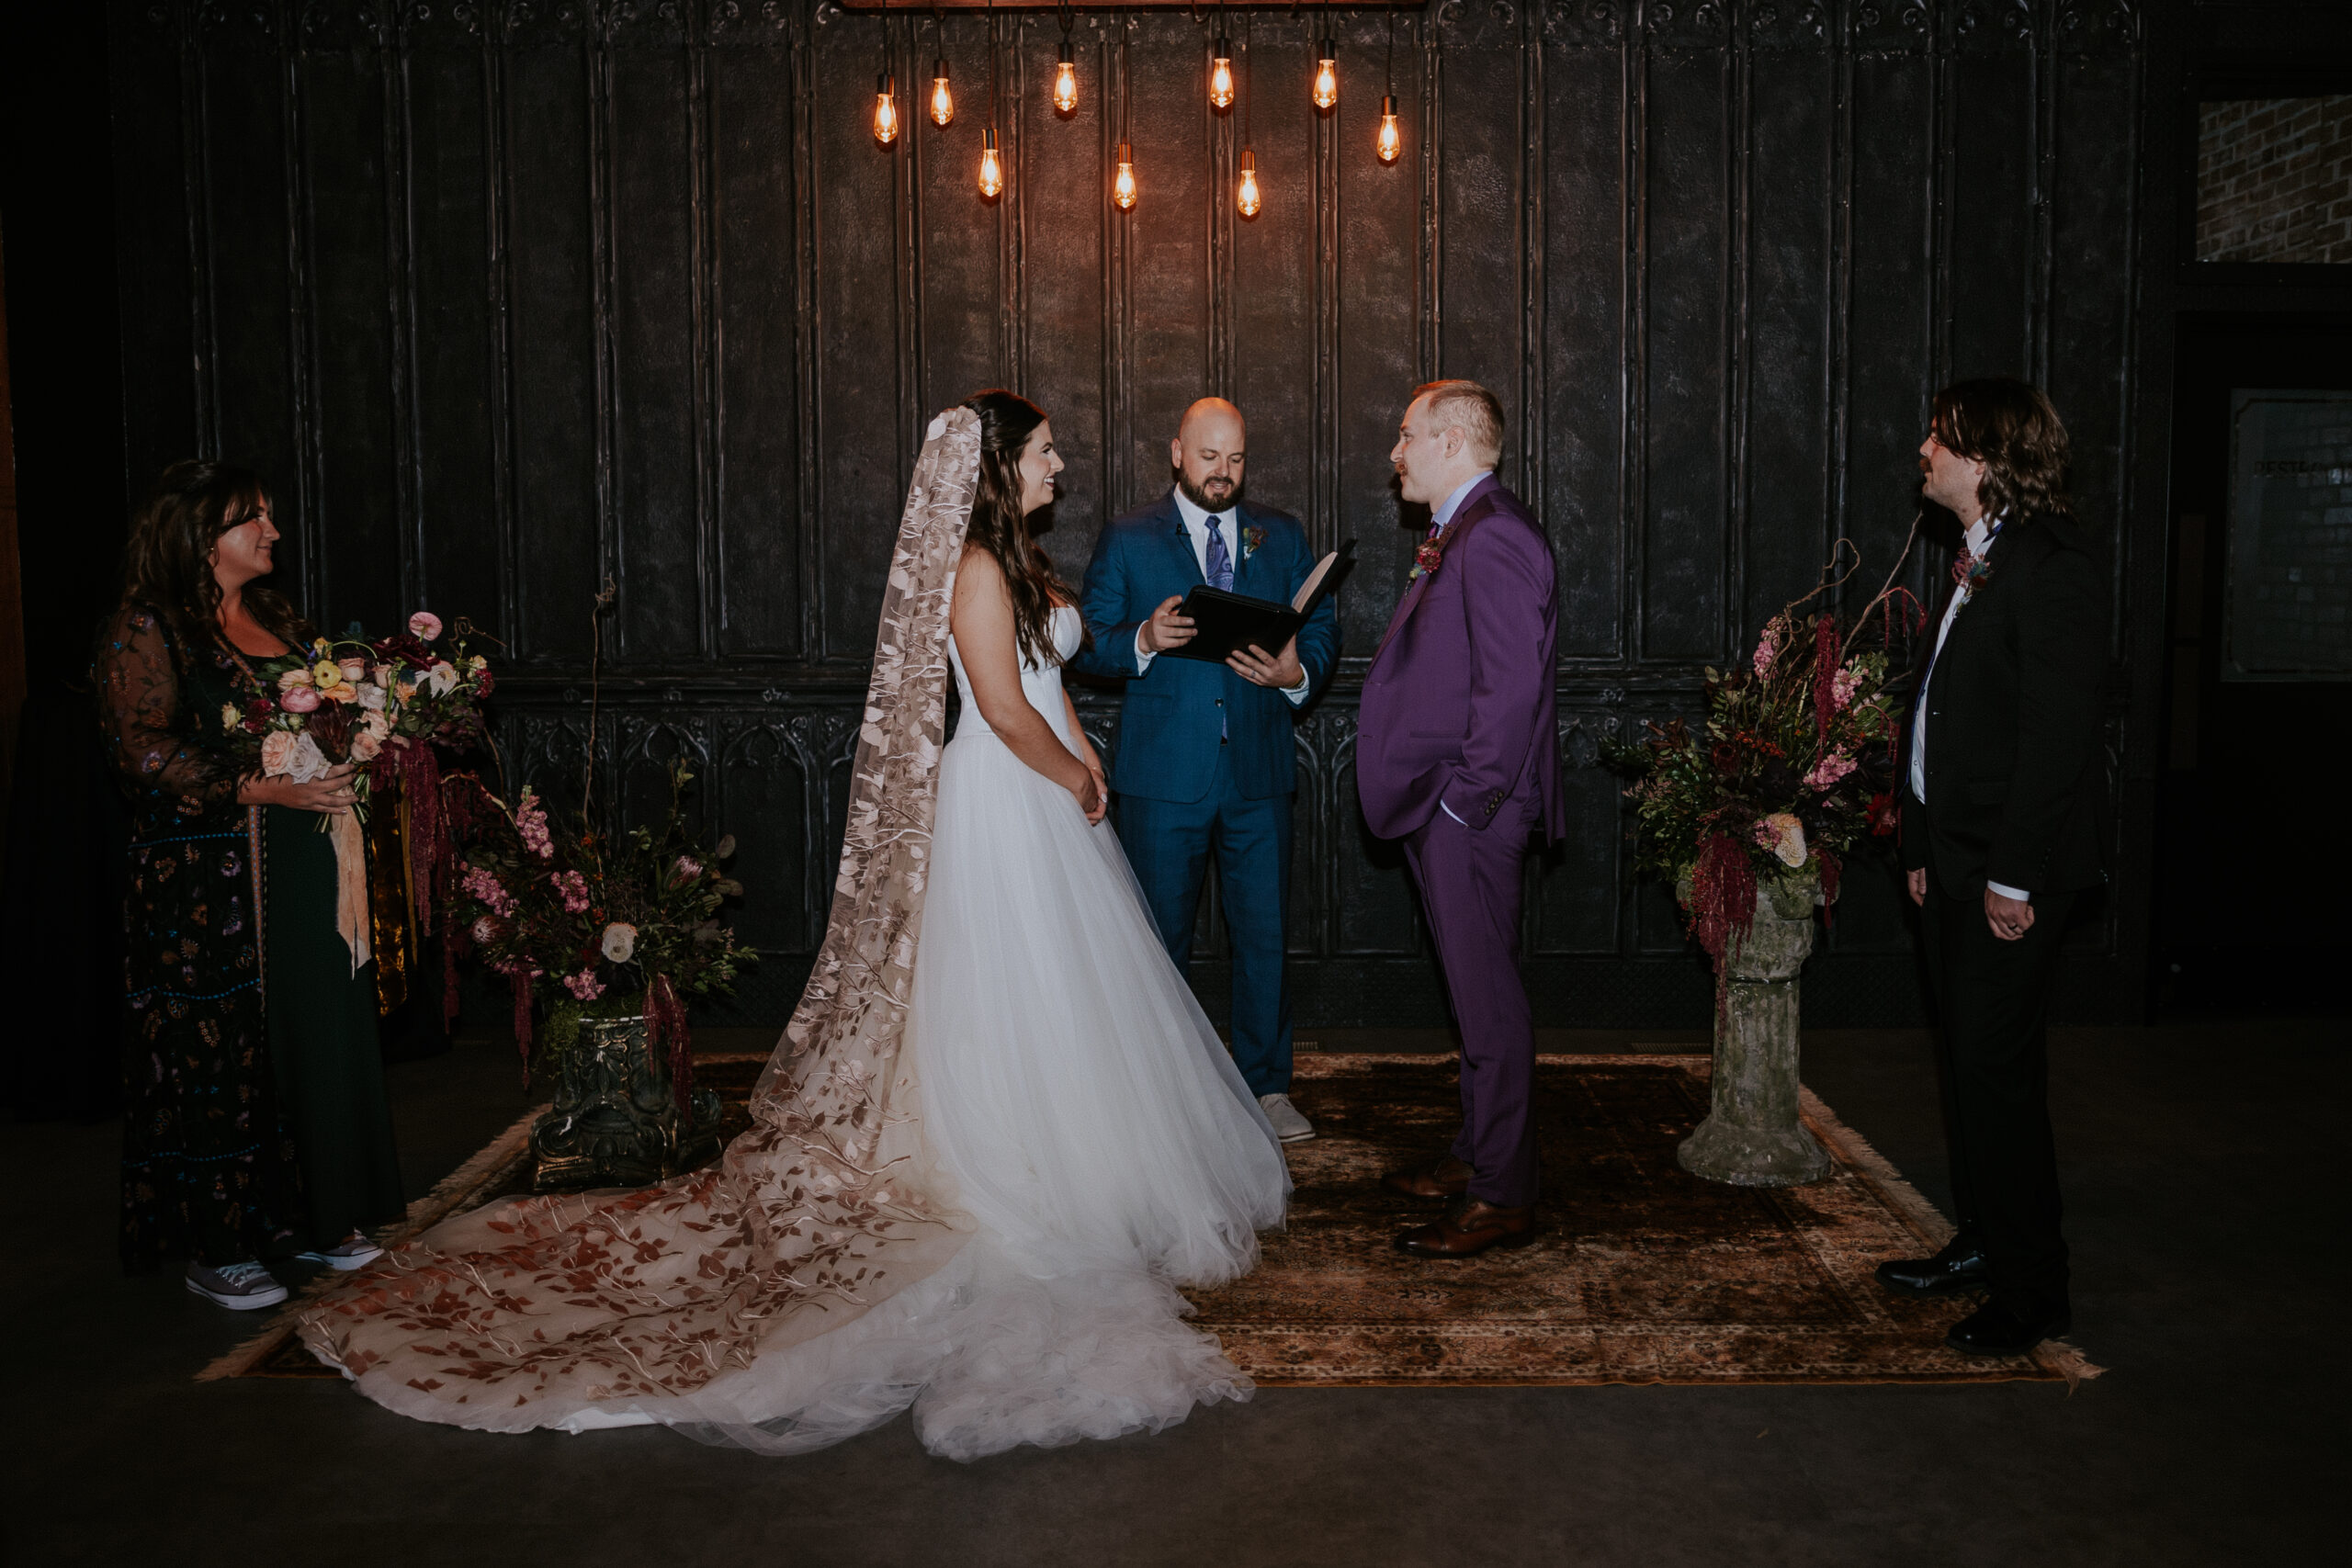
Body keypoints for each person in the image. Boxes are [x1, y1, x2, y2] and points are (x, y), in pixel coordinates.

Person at [298, 394, 1290, 1461]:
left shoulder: (1016, 557)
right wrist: (1078, 774)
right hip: (1012, 800)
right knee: (1018, 994)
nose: (1061, 464)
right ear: (1000, 467)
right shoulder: (973, 567)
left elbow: (1041, 685)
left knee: (1072, 999)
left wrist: (1079, 761)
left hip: (1050, 790)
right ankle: (1022, 1171)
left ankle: (1091, 1160)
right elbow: (1000, 709)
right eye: (1046, 451)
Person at [97, 460, 403, 1311]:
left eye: (268, 516)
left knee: (310, 1034)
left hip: (303, 868)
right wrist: (258, 788)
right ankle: (218, 1243)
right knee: (222, 1052)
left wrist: (366, 732)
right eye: (251, 520)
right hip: (208, 882)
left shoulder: (272, 616)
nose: (271, 531)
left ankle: (320, 1213)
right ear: (202, 537)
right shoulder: (150, 626)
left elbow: (324, 714)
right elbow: (140, 748)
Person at [1878, 378, 2107, 1357]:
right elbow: (1942, 721)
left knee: (1998, 1081)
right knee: (1967, 1073)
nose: (1922, 450)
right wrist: (1926, 851)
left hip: (2013, 875)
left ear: (1987, 456)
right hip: (1957, 865)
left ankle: (2032, 1291)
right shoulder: (1977, 560)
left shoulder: (2052, 566)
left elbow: (2055, 743)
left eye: (1938, 437)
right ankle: (1980, 1245)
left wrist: (2010, 876)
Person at [1071, 397, 1340, 1143]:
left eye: (1237, 458)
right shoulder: (1128, 536)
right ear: (1177, 453)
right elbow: (1089, 640)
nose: (1224, 473)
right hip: (1162, 780)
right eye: (1209, 456)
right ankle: (1161, 1092)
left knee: (1263, 936)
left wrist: (1296, 672)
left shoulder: (1280, 534)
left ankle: (1267, 1089)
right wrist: (1144, 638)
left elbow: (1320, 626)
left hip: (1257, 773)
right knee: (1158, 941)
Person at [1355, 380, 1564, 1259]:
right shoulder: (1462, 531)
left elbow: (1510, 693)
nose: (1395, 453)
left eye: (1405, 436)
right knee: (1471, 999)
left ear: (1449, 440)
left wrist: (1460, 805)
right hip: (1450, 808)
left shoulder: (1498, 535)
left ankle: (1502, 1195)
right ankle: (1477, 1156)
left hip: (1469, 811)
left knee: (1491, 1009)